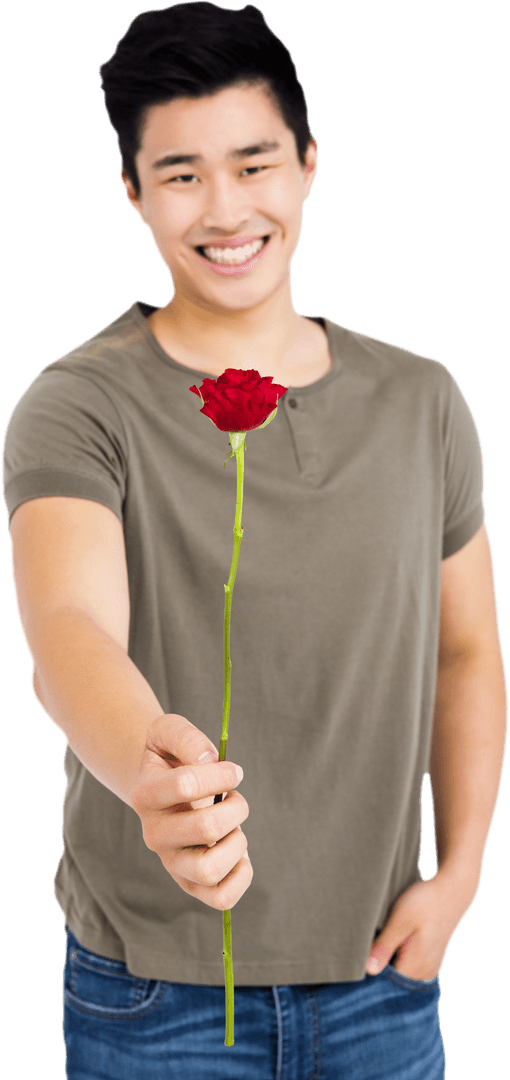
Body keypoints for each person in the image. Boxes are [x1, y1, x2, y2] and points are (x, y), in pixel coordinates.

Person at [2, 3, 507, 1078]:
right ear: (132, 191)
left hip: (384, 979)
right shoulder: (76, 402)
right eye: (180, 173)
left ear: (309, 163)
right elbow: (68, 630)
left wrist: (459, 875)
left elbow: (465, 653)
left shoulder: (425, 401)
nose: (225, 209)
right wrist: (155, 778)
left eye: (255, 162)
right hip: (156, 994)